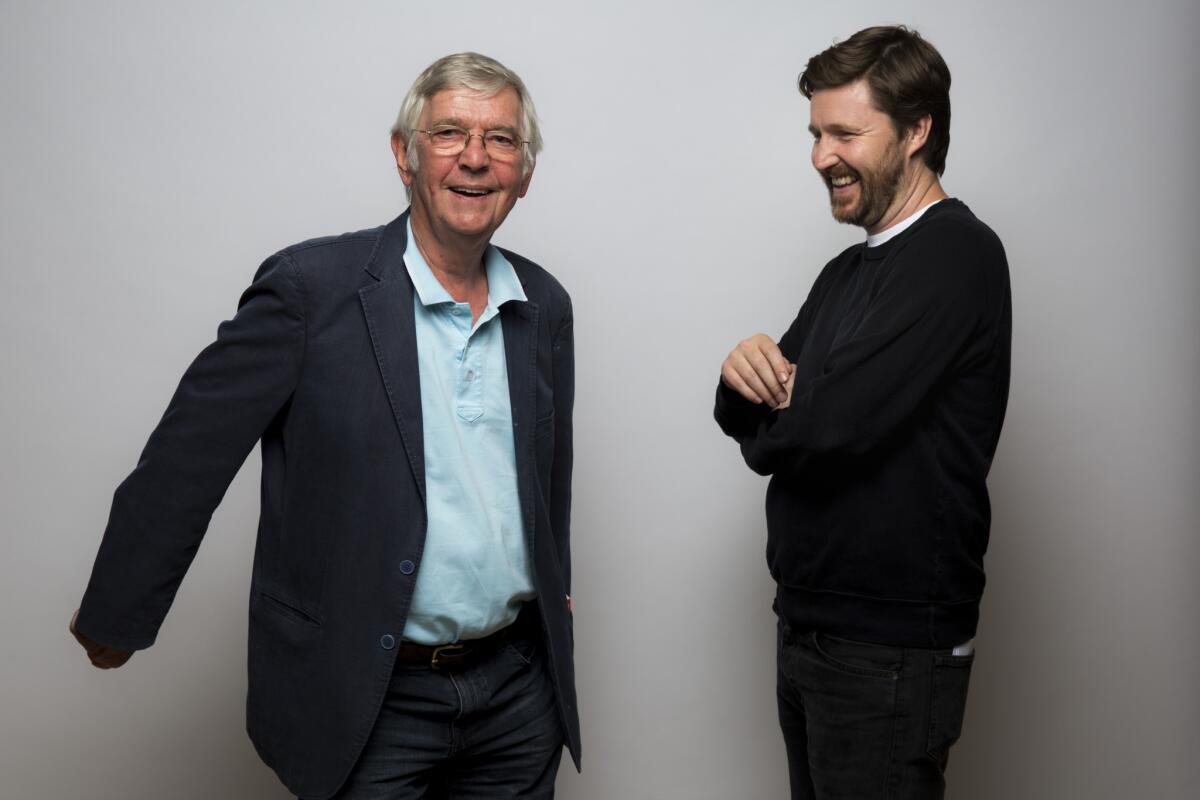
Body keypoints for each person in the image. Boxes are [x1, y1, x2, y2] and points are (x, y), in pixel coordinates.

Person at [70, 52, 578, 799]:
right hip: (365, 693)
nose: (475, 158)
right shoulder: (312, 290)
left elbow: (543, 474)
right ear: (404, 155)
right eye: (449, 133)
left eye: (501, 140)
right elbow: (189, 454)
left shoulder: (545, 302)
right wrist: (120, 607)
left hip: (515, 694)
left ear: (525, 172)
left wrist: (553, 583)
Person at [714, 26, 1011, 800]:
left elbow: (824, 427)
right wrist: (739, 381)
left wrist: (788, 408)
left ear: (918, 130)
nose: (821, 157)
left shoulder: (957, 256)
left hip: (890, 648)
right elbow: (745, 410)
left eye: (845, 132)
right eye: (816, 133)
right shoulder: (847, 271)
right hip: (810, 627)